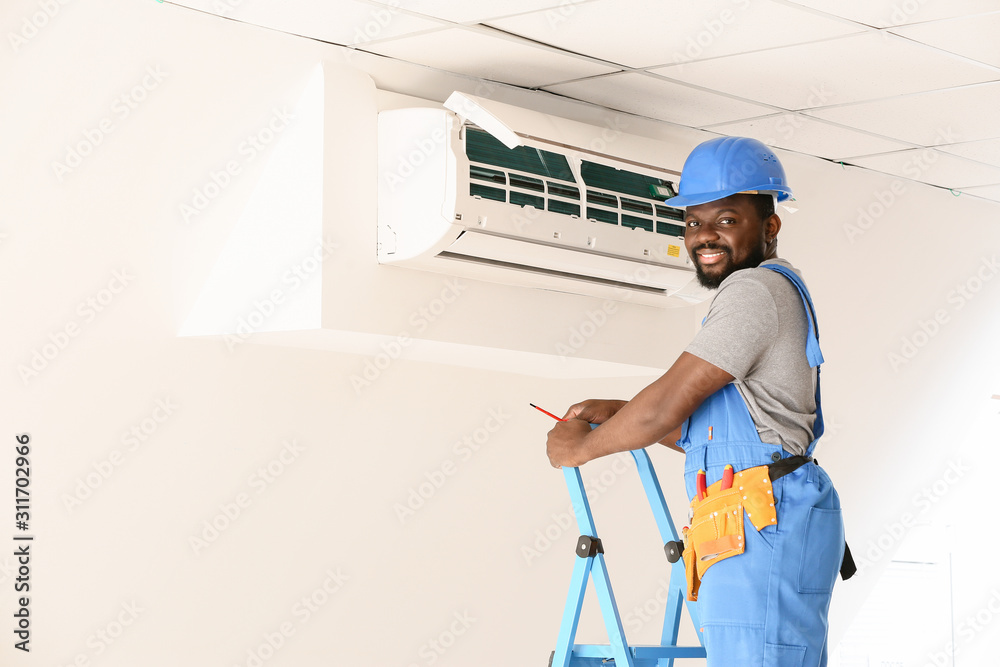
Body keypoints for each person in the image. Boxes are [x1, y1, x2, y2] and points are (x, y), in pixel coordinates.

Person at [545, 136, 851, 667]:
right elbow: (703, 435)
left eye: (726, 220)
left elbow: (665, 407)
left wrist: (578, 450)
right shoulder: (757, 296)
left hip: (762, 522)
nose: (704, 236)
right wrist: (619, 414)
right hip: (748, 520)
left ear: (769, 227)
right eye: (692, 223)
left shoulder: (755, 291)